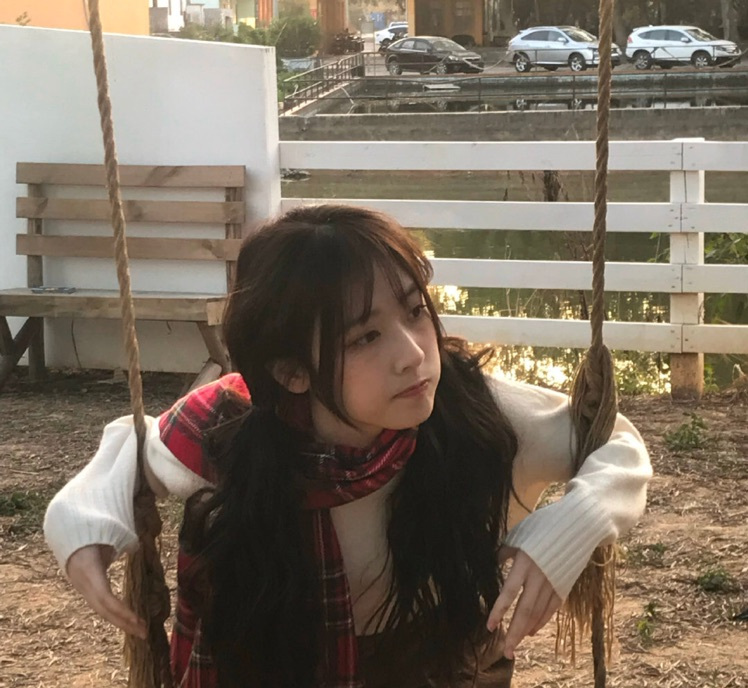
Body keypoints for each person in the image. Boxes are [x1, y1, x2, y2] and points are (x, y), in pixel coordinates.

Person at [44, 204, 651, 688]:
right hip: (284, 666)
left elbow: (612, 442)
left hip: (441, 668)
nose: (412, 354)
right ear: (291, 373)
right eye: (365, 338)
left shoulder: (477, 415)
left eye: (415, 312)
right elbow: (133, 446)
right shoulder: (233, 431)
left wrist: (570, 527)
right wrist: (82, 523)